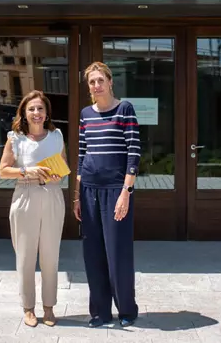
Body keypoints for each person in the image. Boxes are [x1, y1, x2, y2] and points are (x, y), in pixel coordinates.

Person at [73, 61, 141, 328]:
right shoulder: (85, 114)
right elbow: (81, 155)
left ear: (110, 82)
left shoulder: (124, 110)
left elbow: (134, 152)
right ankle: (100, 312)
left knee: (118, 252)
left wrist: (126, 192)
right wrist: (78, 197)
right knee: (93, 254)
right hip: (89, 190)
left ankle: (127, 310)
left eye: (100, 80)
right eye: (92, 82)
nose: (96, 85)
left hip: (116, 190)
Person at [0, 90, 67, 328]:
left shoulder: (57, 136)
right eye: (31, 109)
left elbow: (64, 165)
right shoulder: (15, 138)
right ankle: (28, 308)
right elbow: (3, 170)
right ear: (24, 114)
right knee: (26, 257)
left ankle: (49, 307)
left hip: (52, 195)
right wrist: (26, 171)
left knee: (50, 257)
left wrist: (58, 171)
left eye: (40, 109)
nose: (36, 113)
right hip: (25, 195)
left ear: (47, 113)